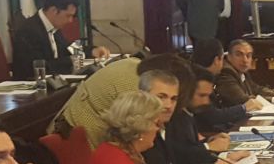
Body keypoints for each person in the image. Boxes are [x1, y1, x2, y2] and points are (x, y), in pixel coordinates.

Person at [53, 53, 195, 148]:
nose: (169, 104)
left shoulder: (133, 65)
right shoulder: (138, 89)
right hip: (83, 141)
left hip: (71, 129)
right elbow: (144, 135)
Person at [139, 64, 222, 164]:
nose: (169, 105)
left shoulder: (165, 123)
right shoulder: (139, 129)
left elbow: (181, 154)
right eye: (161, 97)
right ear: (142, 96)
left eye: (173, 99)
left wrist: (221, 159)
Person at [11, 0, 106, 80]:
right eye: (68, 16)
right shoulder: (29, 30)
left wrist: (92, 50)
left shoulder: (53, 27)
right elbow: (39, 66)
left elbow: (68, 48)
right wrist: (71, 61)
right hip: (33, 88)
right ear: (54, 11)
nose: (70, 21)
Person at [189, 37, 259, 132]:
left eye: (249, 55)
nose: (245, 60)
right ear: (217, 59)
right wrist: (244, 108)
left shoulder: (196, 74)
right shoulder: (199, 80)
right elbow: (212, 115)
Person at [215, 39, 274, 109]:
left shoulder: (240, 70)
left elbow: (256, 89)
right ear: (229, 56)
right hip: (232, 124)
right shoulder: (226, 73)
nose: (245, 60)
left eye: (248, 55)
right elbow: (243, 99)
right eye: (239, 55)